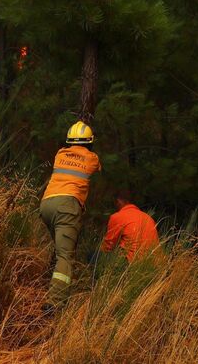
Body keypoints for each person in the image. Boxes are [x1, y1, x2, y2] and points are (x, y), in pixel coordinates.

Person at [39, 120, 101, 308]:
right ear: (90, 143)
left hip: (47, 204)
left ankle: (49, 284)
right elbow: (96, 171)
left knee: (59, 251)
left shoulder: (60, 154)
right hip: (67, 206)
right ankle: (55, 302)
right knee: (65, 256)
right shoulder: (92, 158)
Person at [101, 189, 160, 262]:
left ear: (119, 201)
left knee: (91, 256)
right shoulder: (148, 218)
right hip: (154, 264)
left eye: (114, 203)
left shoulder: (118, 216)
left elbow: (108, 246)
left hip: (132, 264)